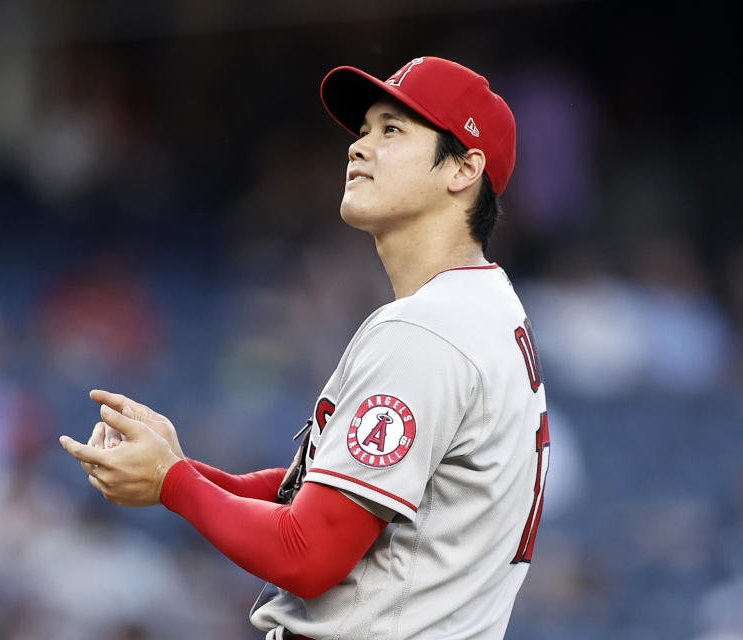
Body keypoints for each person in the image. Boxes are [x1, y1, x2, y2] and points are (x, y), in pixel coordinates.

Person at [60, 55, 550, 640]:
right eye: (364, 130)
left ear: (464, 168)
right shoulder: (488, 309)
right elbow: (316, 491)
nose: (359, 147)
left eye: (392, 130)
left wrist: (173, 482)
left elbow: (308, 554)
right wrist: (174, 463)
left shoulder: (427, 331)